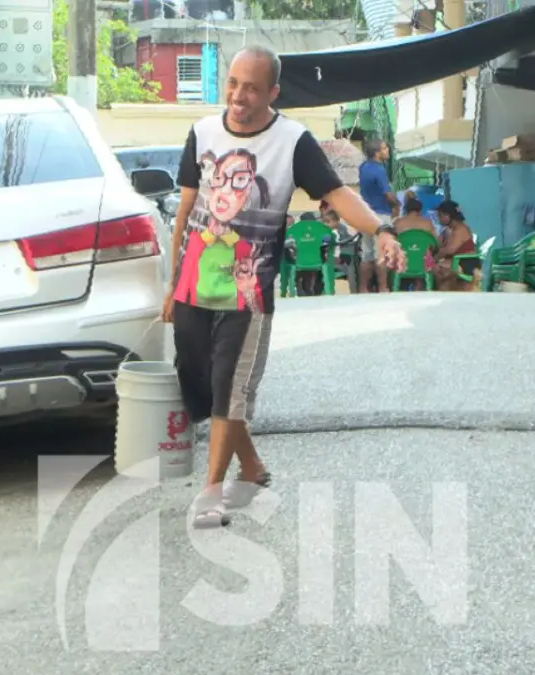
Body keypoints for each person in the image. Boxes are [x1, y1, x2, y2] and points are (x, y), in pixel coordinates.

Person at [160, 45, 405, 528]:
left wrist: (381, 230)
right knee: (202, 386)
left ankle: (211, 492)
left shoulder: (292, 141)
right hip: (192, 285)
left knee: (229, 388)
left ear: (272, 92)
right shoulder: (202, 132)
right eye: (233, 83)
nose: (239, 95)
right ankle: (250, 465)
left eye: (251, 87)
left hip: (248, 293)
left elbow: (337, 195)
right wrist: (171, 286)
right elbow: (186, 212)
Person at [356, 138, 397, 293]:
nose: (388, 151)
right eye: (385, 149)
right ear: (377, 153)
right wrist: (397, 205)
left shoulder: (363, 167)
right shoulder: (379, 170)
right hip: (380, 215)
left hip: (365, 213)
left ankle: (363, 288)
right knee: (381, 252)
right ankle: (383, 287)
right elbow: (387, 195)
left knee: (366, 253)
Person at [433, 200, 479, 291]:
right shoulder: (451, 230)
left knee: (435, 268)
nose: (438, 218)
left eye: (440, 215)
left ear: (448, 216)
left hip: (465, 263)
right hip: (459, 261)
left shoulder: (459, 229)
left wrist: (434, 259)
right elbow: (438, 243)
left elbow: (449, 250)